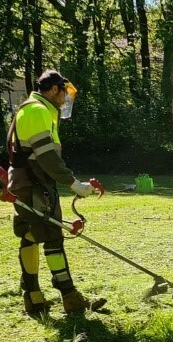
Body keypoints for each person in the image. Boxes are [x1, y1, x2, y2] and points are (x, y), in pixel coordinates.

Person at [7, 70, 105, 317]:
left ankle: (33, 297)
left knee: (30, 235)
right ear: (53, 89)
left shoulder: (34, 109)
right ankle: (69, 295)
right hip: (34, 184)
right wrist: (74, 184)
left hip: (26, 183)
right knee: (52, 238)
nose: (66, 99)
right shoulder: (38, 111)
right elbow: (47, 157)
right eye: (64, 93)